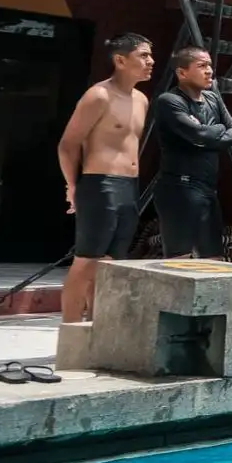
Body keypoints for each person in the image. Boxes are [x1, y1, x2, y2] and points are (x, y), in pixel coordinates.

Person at [54, 33, 154, 323]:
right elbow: (68, 144)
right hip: (100, 184)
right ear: (120, 60)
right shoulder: (99, 95)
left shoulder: (142, 99)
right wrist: (72, 186)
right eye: (143, 56)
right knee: (86, 261)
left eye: (150, 55)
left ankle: (98, 329)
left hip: (129, 187)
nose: (151, 61)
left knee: (110, 264)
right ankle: (71, 332)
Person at [151, 46, 232, 258]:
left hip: (208, 189)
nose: (209, 70)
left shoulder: (213, 98)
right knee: (179, 260)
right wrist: (217, 131)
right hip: (180, 187)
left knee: (215, 260)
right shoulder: (170, 101)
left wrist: (209, 133)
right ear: (182, 73)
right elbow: (199, 135)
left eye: (210, 65)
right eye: (201, 66)